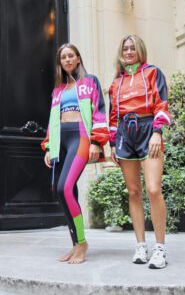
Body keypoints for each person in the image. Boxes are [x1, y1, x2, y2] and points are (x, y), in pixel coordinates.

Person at [41, 43, 109, 264]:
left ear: (78, 58)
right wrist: (49, 147)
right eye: (63, 57)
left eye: (71, 56)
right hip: (60, 140)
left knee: (65, 187)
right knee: (60, 191)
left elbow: (99, 111)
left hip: (80, 137)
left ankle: (82, 243)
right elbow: (52, 121)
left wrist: (96, 142)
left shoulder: (90, 82)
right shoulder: (58, 90)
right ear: (60, 62)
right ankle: (76, 244)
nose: (67, 60)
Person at [109, 35, 171, 269]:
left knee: (153, 189)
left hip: (148, 129)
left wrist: (158, 132)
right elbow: (113, 116)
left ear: (140, 50)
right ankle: (141, 246)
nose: (129, 51)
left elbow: (162, 104)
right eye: (125, 48)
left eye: (133, 47)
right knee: (134, 192)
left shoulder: (153, 72)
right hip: (125, 133)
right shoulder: (116, 82)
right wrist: (113, 144)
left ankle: (160, 249)